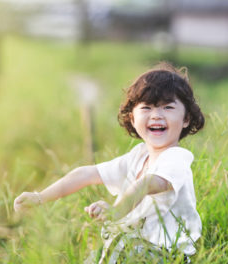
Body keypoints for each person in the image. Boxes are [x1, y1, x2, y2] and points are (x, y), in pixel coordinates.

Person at [13, 62, 205, 263]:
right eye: (147, 107)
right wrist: (40, 197)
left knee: (119, 240)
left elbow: (148, 183)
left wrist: (115, 212)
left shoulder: (176, 158)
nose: (156, 115)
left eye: (168, 107)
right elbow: (86, 174)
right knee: (106, 241)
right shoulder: (137, 157)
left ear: (186, 119)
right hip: (138, 248)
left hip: (170, 255)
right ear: (132, 118)